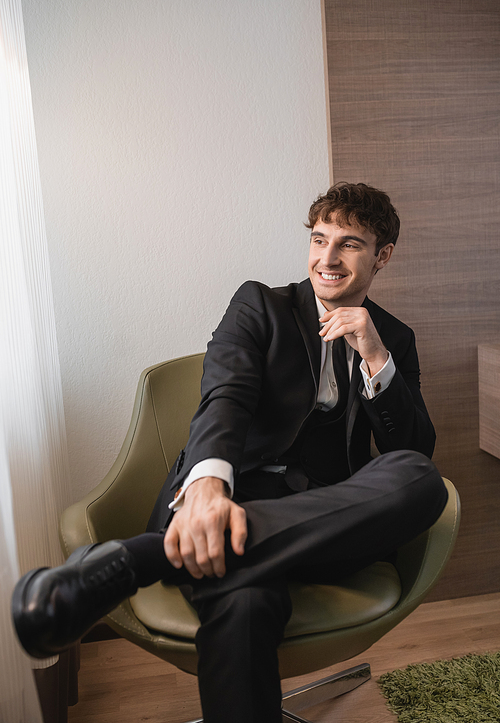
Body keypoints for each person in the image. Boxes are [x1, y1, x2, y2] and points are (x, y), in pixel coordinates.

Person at [12, 182, 448, 723]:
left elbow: (415, 448)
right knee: (243, 598)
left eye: (350, 244)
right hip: (229, 495)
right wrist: (207, 490)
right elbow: (226, 396)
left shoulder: (395, 338)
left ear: (382, 255)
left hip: (330, 521)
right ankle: (205, 536)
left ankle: (142, 558)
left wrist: (375, 354)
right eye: (319, 239)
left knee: (420, 478)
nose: (327, 259)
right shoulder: (260, 305)